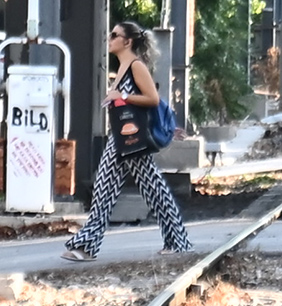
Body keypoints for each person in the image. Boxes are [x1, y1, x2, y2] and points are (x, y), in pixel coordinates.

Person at [62, 21, 194, 261]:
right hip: (121, 137)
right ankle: (86, 246)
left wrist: (120, 95)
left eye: (115, 35)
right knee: (105, 190)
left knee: (153, 189)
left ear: (127, 42)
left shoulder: (136, 66)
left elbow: (152, 98)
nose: (109, 38)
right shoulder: (123, 67)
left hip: (134, 138)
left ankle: (177, 241)